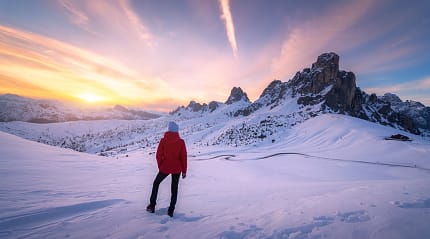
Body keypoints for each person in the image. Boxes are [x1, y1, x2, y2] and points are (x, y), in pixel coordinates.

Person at [146, 121, 187, 217]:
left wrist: (161, 166)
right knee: (174, 188)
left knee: (156, 183)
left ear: (168, 130)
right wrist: (184, 171)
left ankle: (152, 206)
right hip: (177, 168)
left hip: (165, 167)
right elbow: (183, 157)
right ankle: (171, 210)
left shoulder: (163, 140)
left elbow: (158, 155)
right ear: (177, 131)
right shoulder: (181, 142)